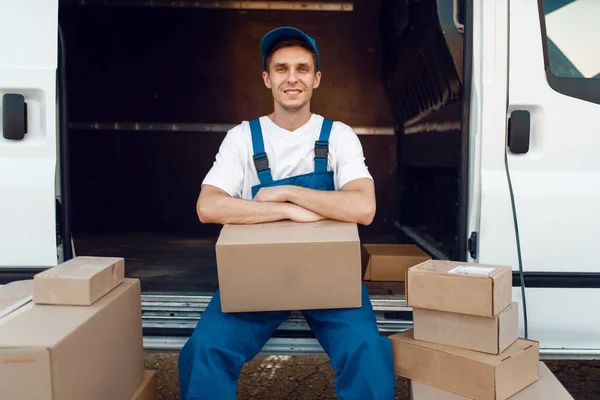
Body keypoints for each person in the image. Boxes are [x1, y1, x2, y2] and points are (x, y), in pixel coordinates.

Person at [177, 26, 395, 400]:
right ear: (266, 78)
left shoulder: (339, 135)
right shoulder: (243, 138)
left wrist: (288, 192)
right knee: (204, 350)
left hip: (330, 276)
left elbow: (364, 206)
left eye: (302, 68)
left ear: (316, 78)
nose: (292, 78)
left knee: (368, 351)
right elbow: (208, 205)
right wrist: (291, 214)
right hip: (257, 275)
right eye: (281, 69)